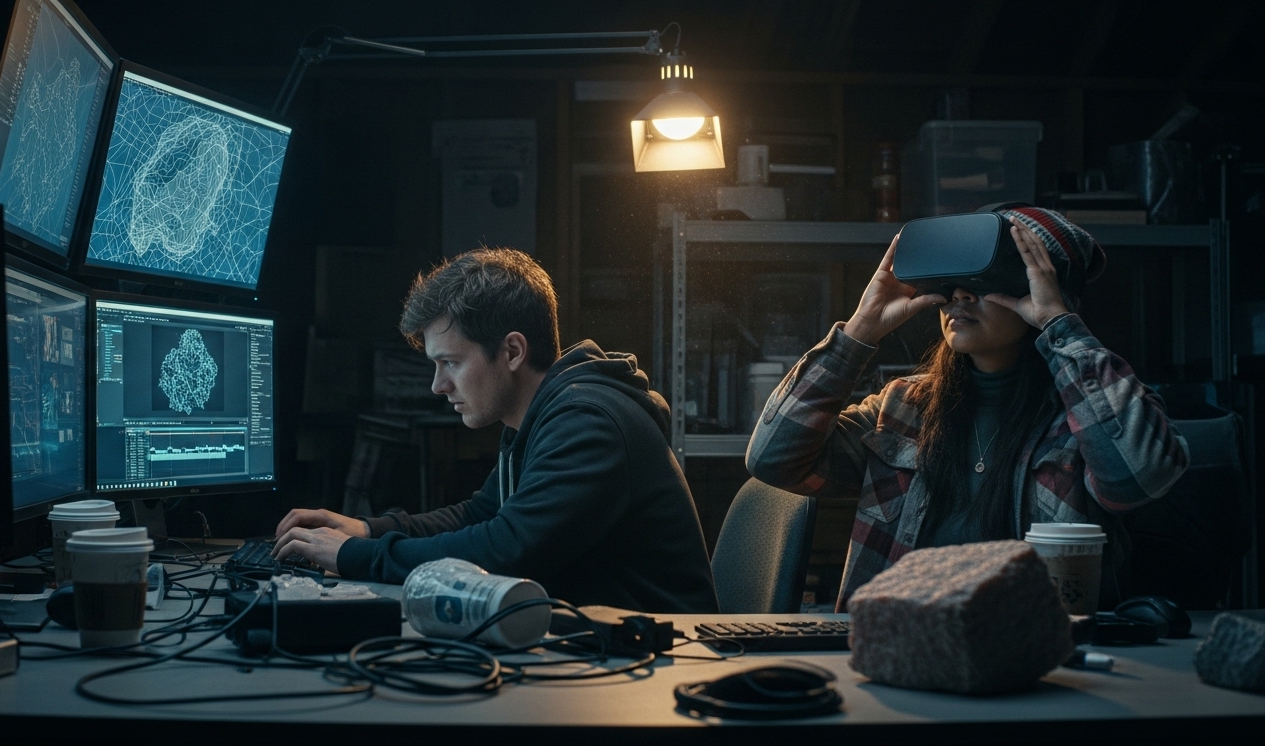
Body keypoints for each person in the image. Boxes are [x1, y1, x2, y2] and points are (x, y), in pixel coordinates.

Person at [746, 206, 1188, 611]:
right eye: (950, 284)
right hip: (901, 654)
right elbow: (774, 461)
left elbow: (1137, 479)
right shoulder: (904, 408)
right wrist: (859, 331)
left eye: (985, 281)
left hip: (1039, 660)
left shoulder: (1090, 411)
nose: (959, 296)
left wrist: (1059, 324)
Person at [273, 247, 719, 613]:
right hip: (607, 653)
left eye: (451, 363)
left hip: (662, 667)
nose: (438, 385)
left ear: (511, 351)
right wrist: (367, 530)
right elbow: (481, 514)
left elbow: (506, 551)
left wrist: (353, 556)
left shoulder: (589, 423)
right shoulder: (542, 416)